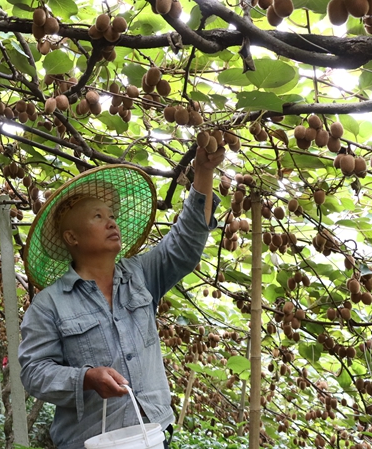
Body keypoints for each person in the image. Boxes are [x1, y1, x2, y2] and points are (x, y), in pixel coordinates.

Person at [18, 145, 225, 449]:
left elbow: (185, 244)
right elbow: (34, 372)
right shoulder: (49, 304)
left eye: (112, 215)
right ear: (71, 238)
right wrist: (86, 378)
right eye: (98, 216)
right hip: (92, 441)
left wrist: (204, 172)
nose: (111, 222)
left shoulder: (140, 274)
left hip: (154, 435)